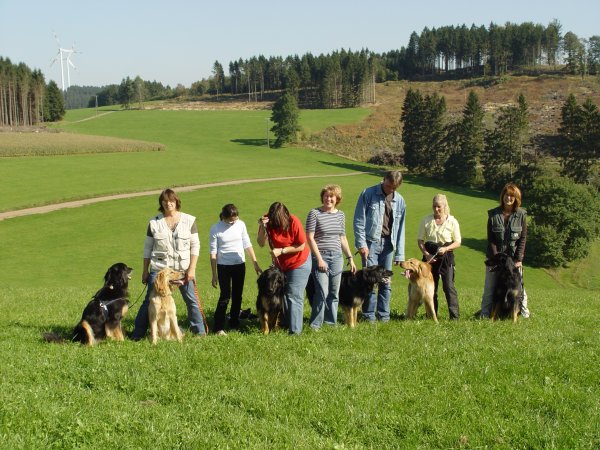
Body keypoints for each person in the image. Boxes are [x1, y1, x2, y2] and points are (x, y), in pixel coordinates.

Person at [131, 188, 207, 340]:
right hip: (160, 270)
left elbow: (195, 246)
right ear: (161, 204)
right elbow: (147, 248)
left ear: (176, 202)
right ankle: (137, 335)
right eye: (164, 201)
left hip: (182, 269)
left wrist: (191, 269)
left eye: (171, 201)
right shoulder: (154, 223)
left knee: (191, 300)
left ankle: (200, 333)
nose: (168, 204)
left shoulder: (189, 220)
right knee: (149, 301)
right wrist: (145, 271)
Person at [353, 170, 406, 322]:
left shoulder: (400, 201)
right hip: (370, 243)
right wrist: (361, 244)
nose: (390, 190)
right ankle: (369, 316)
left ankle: (384, 316)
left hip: (389, 245)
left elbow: (401, 228)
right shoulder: (368, 194)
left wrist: (400, 254)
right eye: (388, 186)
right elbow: (358, 221)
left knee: (386, 282)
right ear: (383, 180)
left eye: (394, 188)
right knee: (370, 281)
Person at [306, 184, 357, 330]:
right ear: (322, 197)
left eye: (331, 196)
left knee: (334, 293)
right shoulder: (314, 213)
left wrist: (350, 258)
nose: (328, 199)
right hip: (320, 257)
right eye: (326, 196)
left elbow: (342, 238)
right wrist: (319, 259)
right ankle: (315, 325)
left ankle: (330, 323)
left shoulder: (340, 215)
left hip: (337, 257)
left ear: (337, 199)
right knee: (322, 292)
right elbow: (310, 238)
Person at [257, 202, 312, 335]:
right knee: (283, 295)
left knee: (293, 295)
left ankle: (295, 332)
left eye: (279, 220)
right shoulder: (268, 221)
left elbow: (301, 246)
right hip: (280, 265)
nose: (277, 223)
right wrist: (262, 227)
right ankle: (285, 324)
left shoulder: (294, 221)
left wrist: (281, 251)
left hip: (299, 262)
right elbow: (260, 243)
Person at [209, 204, 262, 336]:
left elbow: (247, 243)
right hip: (223, 266)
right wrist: (214, 274)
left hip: (239, 264)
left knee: (237, 295)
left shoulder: (241, 225)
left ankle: (234, 323)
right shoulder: (216, 228)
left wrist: (255, 263)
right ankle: (218, 327)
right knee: (225, 296)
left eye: (235, 219)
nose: (233, 222)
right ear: (224, 217)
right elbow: (213, 252)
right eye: (231, 220)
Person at [480, 182, 530, 318]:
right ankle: (484, 314)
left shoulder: (521, 215)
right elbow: (491, 239)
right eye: (506, 195)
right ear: (502, 196)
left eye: (512, 196)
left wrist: (518, 259)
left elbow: (523, 238)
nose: (508, 198)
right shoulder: (493, 215)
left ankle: (524, 314)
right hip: (495, 258)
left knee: (519, 288)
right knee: (490, 288)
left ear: (516, 198)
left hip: (514, 259)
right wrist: (496, 259)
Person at [417, 194, 462, 320]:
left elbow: (458, 241)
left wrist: (446, 248)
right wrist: (427, 255)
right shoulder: (426, 220)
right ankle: (431, 315)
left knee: (448, 287)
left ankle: (454, 317)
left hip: (446, 256)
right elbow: (420, 240)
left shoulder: (452, 221)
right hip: (429, 257)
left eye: (439, 207)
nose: (436, 209)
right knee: (431, 288)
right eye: (434, 206)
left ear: (445, 206)